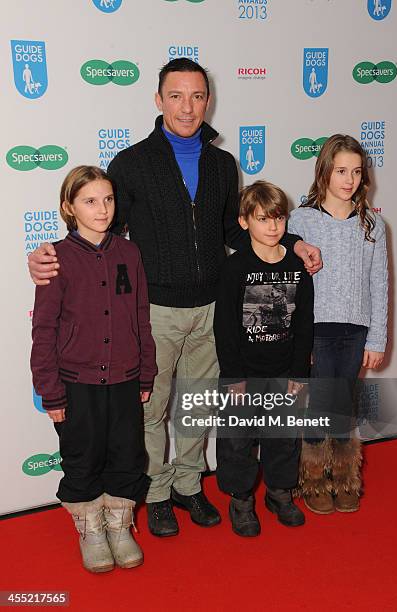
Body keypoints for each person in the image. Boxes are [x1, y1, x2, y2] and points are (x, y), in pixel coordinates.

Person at [28, 58, 322, 537]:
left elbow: (236, 229)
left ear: (209, 100)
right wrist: (45, 256)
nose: (188, 107)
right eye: (178, 95)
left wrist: (292, 243)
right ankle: (157, 493)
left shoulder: (224, 164)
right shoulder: (130, 163)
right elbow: (100, 230)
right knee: (150, 408)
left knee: (198, 406)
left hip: (211, 308)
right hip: (153, 311)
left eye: (198, 96)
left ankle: (189, 485)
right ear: (158, 99)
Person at [31, 166, 157, 573]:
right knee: (81, 458)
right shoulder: (56, 258)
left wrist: (145, 370)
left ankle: (120, 526)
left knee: (126, 454)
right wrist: (50, 389)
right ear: (69, 207)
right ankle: (90, 529)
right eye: (89, 201)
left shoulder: (129, 252)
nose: (101, 209)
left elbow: (140, 316)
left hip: (124, 378)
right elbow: (44, 328)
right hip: (76, 382)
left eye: (107, 199)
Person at [288, 134, 388, 515]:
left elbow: (379, 285)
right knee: (315, 405)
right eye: (341, 170)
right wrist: (299, 338)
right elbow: (292, 284)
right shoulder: (301, 220)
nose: (348, 179)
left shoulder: (373, 225)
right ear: (324, 171)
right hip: (315, 330)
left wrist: (376, 338)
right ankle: (312, 479)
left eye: (356, 172)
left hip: (355, 331)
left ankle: (345, 478)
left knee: (343, 406)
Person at [214, 181, 314, 537]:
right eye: (262, 219)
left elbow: (304, 324)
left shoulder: (298, 268)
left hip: (284, 371)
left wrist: (299, 373)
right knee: (238, 440)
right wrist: (233, 377)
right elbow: (224, 328)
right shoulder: (234, 268)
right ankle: (241, 500)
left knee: (284, 438)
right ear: (244, 222)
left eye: (278, 218)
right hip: (243, 374)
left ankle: (279, 494)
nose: (272, 227)